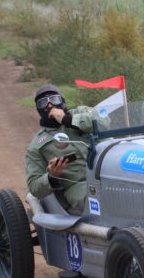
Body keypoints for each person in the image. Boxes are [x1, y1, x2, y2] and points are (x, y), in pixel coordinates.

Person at [25, 85, 96, 214]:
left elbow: (104, 120)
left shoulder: (81, 112)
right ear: (38, 109)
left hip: (106, 172)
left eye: (54, 99)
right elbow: (34, 185)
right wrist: (52, 176)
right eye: (43, 103)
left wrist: (67, 119)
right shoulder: (36, 146)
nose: (50, 105)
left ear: (62, 101)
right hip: (77, 185)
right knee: (99, 199)